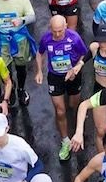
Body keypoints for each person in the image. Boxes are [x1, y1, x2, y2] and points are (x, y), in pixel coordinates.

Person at [35, 15, 87, 162]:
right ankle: (65, 140)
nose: (57, 34)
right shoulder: (46, 38)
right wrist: (39, 71)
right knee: (60, 110)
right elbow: (39, 54)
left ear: (65, 26)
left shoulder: (74, 38)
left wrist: (76, 68)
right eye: (54, 31)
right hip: (55, 76)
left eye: (60, 31)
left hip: (72, 75)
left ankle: (78, 128)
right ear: (50, 28)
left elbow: (84, 54)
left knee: (73, 105)